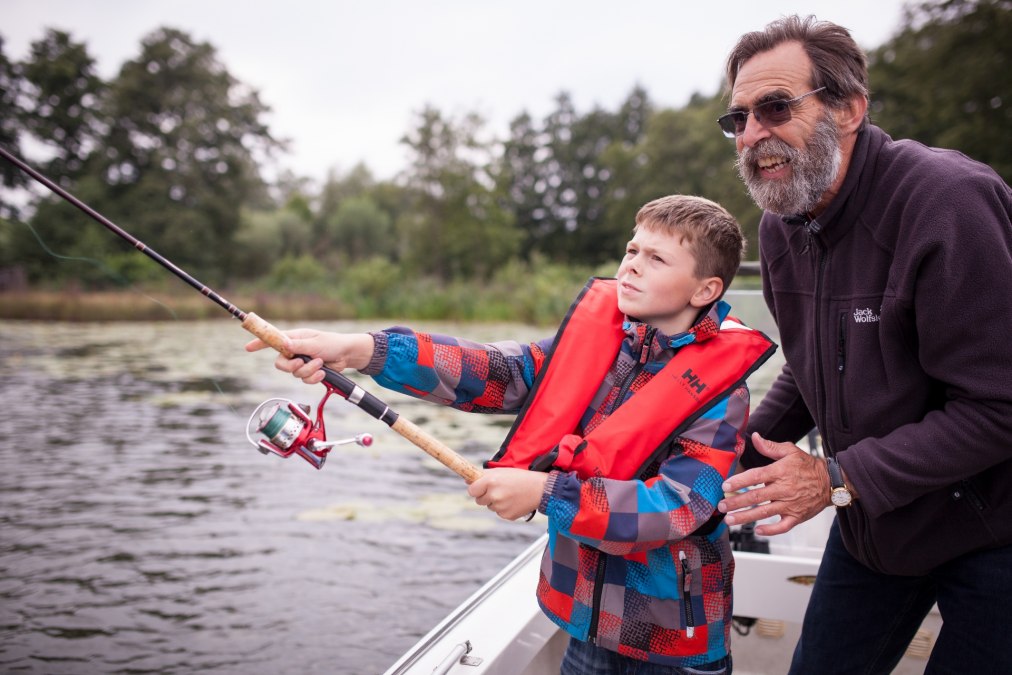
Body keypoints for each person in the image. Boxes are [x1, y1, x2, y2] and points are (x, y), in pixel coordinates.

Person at [246, 194, 776, 674]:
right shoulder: (601, 344)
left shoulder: (721, 395)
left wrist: (546, 492)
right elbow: (495, 369)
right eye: (632, 250)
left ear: (706, 289)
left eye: (656, 259)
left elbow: (675, 507)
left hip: (669, 644)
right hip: (583, 624)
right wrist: (366, 350)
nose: (632, 265)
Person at [714, 14, 1012, 674]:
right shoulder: (782, 225)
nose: (753, 133)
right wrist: (737, 448)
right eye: (738, 119)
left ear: (848, 109)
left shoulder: (949, 203)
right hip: (878, 525)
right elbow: (815, 363)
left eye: (775, 107)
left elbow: (1001, 407)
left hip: (995, 529)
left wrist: (836, 477)